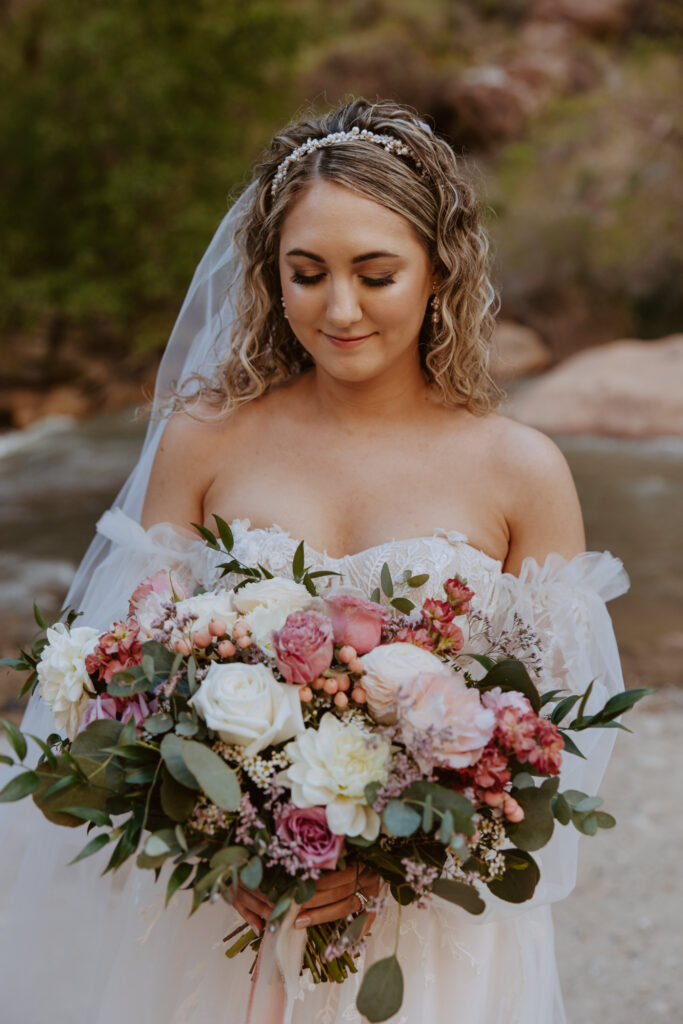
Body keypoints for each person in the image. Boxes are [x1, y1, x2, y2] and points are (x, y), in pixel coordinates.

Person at [0, 99, 628, 1023]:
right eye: (307, 273)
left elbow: (548, 744)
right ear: (270, 276)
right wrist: (206, 836)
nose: (339, 310)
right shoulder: (204, 441)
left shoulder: (519, 469)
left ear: (439, 271)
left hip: (424, 929)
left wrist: (394, 860)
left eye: (375, 273)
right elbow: (122, 682)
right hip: (214, 912)